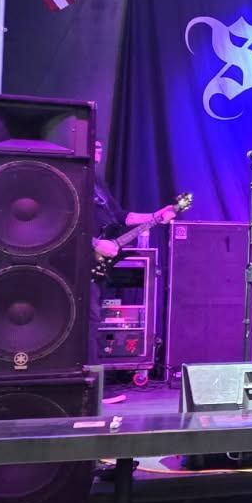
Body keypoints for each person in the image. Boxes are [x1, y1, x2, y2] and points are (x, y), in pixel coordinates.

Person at [89, 138, 177, 363]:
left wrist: (156, 215)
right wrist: (95, 244)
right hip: (80, 257)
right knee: (86, 318)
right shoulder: (71, 180)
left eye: (100, 146)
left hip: (98, 261)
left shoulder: (96, 180)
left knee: (93, 318)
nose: (99, 149)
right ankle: (85, 379)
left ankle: (94, 377)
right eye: (93, 145)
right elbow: (63, 224)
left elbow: (122, 217)